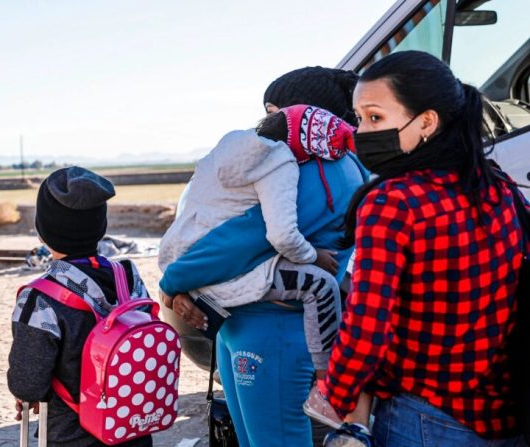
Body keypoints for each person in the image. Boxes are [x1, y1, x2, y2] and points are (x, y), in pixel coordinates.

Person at [322, 50, 529, 446]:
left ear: (427, 122)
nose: (360, 132)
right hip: (502, 411)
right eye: (359, 118)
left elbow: (367, 328)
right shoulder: (498, 186)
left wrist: (336, 395)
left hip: (422, 417)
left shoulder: (393, 201)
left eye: (376, 117)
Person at [158, 66, 368, 447]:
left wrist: (171, 283)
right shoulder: (342, 166)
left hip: (270, 330)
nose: (264, 128)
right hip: (253, 324)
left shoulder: (312, 174)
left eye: (273, 113)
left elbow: (237, 241)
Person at [158, 104, 355, 375]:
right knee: (321, 284)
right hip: (214, 271)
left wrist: (174, 283)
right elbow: (281, 235)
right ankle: (325, 376)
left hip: (179, 254)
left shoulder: (229, 146)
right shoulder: (280, 161)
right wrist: (313, 256)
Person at [7, 166, 154, 447]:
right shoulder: (129, 276)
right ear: (100, 225)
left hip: (73, 437)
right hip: (131, 427)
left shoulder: (40, 298)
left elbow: (27, 385)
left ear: (43, 231)